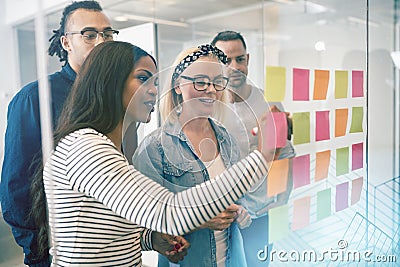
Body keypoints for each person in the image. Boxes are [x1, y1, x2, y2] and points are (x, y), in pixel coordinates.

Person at [31, 41, 272, 266]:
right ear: (110, 82)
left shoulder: (104, 147)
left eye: (154, 82)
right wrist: (263, 154)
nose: (154, 91)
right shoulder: (86, 148)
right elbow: (166, 211)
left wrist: (150, 239)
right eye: (143, 79)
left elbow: (113, 229)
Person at [0, 1, 116, 266]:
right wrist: (39, 252)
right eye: (89, 35)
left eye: (108, 34)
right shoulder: (34, 98)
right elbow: (15, 188)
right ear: (66, 43)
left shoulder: (114, 97)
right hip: (56, 251)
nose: (101, 42)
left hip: (108, 245)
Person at [133, 44, 254, 267]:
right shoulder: (155, 147)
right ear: (178, 85)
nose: (210, 90)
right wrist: (199, 219)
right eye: (200, 81)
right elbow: (141, 224)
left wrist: (241, 212)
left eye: (217, 82)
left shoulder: (226, 139)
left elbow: (237, 197)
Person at [211, 30, 295, 266]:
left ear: (248, 59)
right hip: (225, 215)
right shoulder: (210, 109)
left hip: (263, 214)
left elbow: (285, 157)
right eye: (226, 61)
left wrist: (279, 204)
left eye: (239, 59)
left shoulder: (270, 105)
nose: (234, 67)